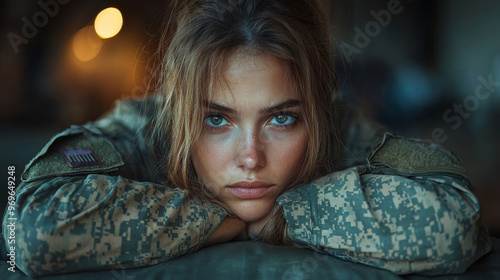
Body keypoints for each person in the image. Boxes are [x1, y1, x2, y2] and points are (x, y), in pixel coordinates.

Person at [2, 0, 492, 277]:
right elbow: (27, 233)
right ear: (180, 115)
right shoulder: (141, 130)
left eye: (281, 120)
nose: (251, 158)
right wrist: (215, 219)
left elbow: (456, 222)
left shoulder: (337, 129)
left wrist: (287, 216)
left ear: (314, 114)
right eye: (216, 120)